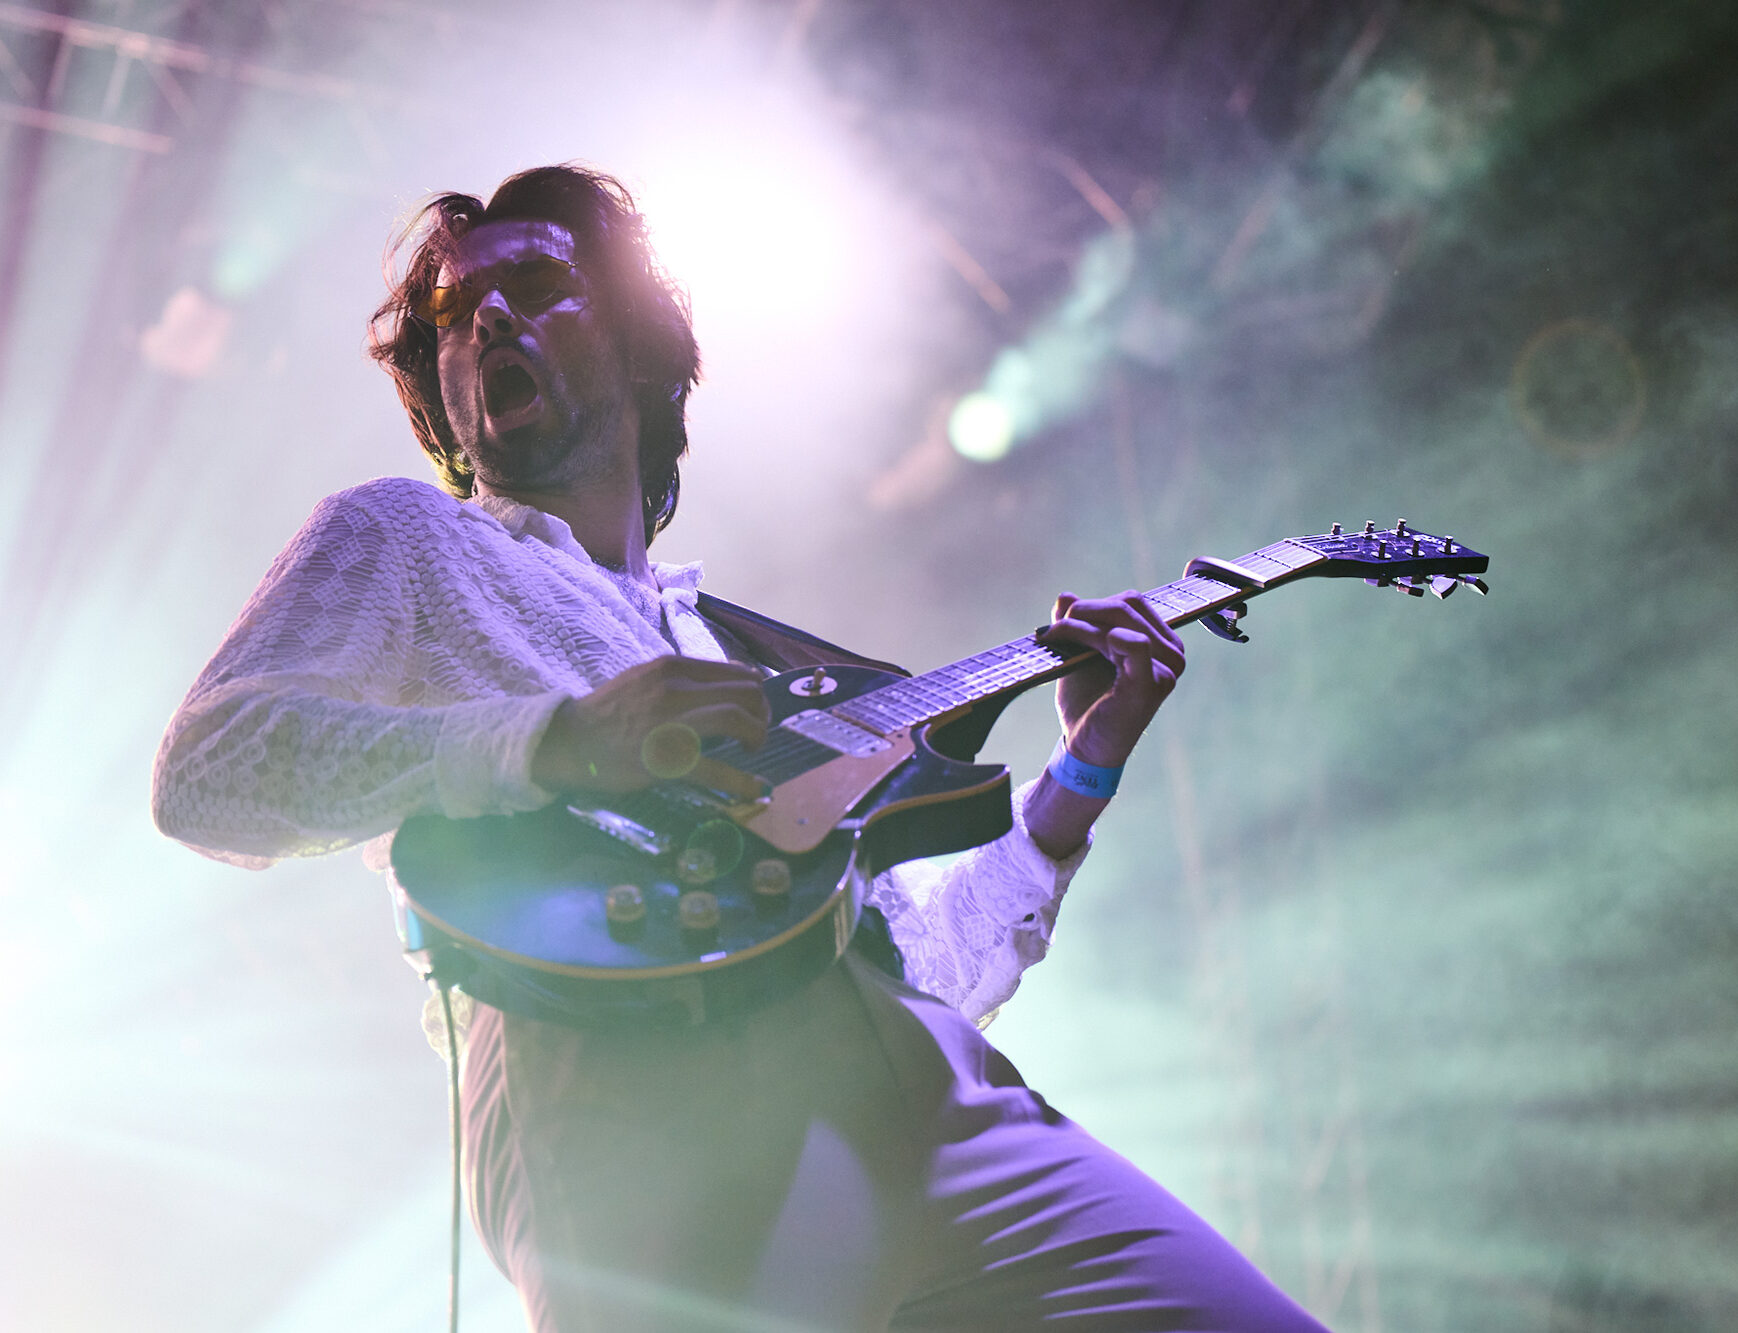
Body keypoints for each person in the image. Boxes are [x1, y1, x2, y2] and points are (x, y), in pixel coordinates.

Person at [152, 164, 1328, 1332]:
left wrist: (1077, 778)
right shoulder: (410, 539)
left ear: (636, 343)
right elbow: (210, 772)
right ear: (445, 395)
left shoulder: (734, 654)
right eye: (456, 314)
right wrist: (558, 740)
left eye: (536, 283)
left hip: (924, 1095)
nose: (491, 316)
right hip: (630, 1094)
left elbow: (922, 968)